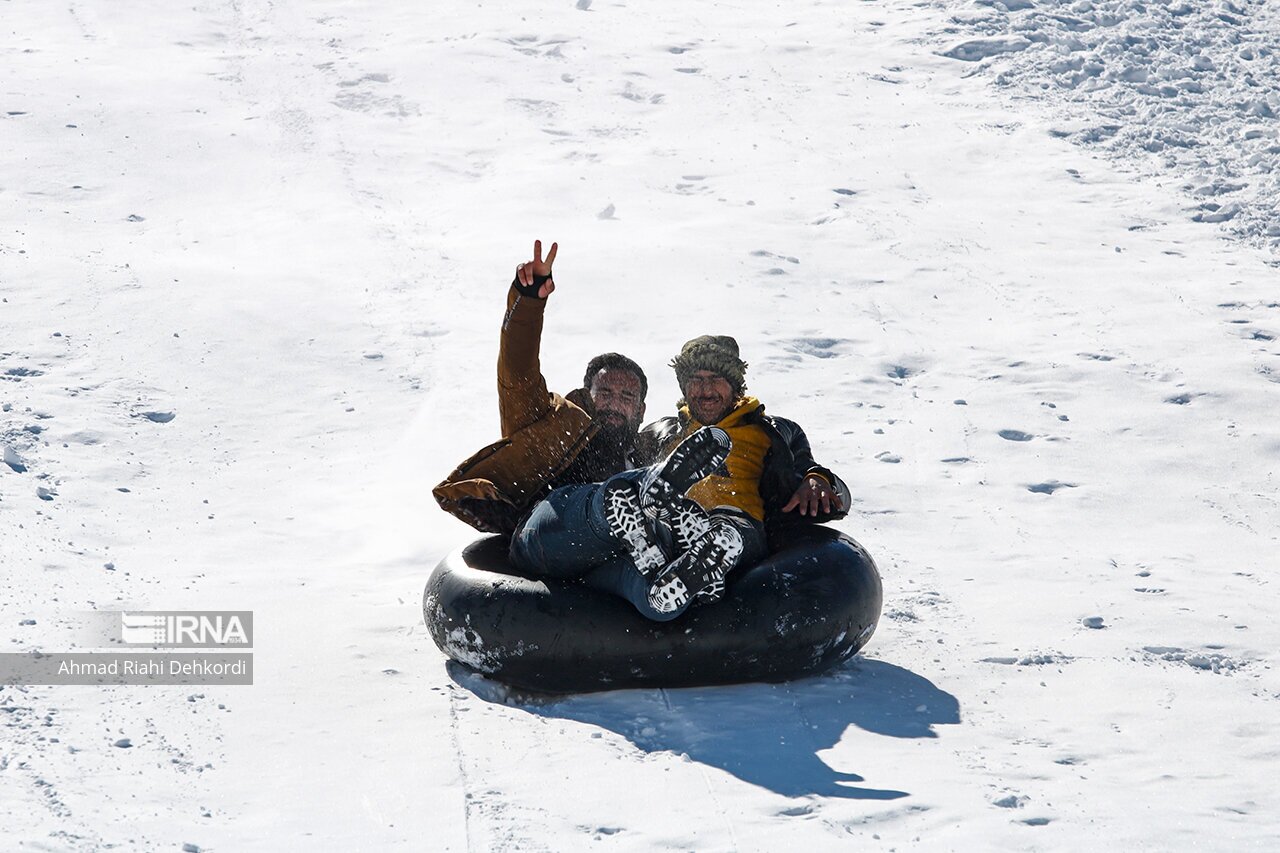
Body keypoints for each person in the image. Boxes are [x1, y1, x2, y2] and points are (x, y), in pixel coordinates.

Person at [433, 239, 654, 536]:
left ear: (640, 410)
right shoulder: (552, 428)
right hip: (554, 542)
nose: (614, 404)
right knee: (579, 502)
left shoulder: (646, 456)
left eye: (626, 396)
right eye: (605, 393)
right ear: (586, 396)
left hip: (624, 559)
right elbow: (518, 372)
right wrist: (527, 302)